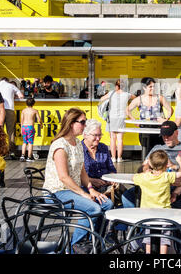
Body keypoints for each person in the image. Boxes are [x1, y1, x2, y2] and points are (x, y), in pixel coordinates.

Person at [42, 108, 113, 253]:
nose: (85, 125)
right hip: (56, 192)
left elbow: (82, 172)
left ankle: (94, 242)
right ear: (71, 123)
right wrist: (85, 194)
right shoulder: (60, 145)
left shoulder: (77, 143)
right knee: (93, 207)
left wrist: (91, 189)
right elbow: (63, 177)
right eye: (82, 122)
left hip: (71, 191)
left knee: (108, 203)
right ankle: (75, 246)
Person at [121, 121, 181, 208]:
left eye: (168, 135)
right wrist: (147, 170)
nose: (165, 138)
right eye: (163, 135)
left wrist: (174, 166)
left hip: (178, 185)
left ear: (176, 133)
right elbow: (143, 167)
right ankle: (135, 219)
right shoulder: (157, 148)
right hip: (154, 183)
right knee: (127, 196)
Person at [132, 150, 181, 254]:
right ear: (166, 165)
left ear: (150, 163)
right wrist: (180, 161)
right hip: (165, 213)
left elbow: (134, 178)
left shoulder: (144, 177)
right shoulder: (166, 176)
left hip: (147, 214)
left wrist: (145, 171)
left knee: (148, 236)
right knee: (164, 238)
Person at [126, 77, 173, 152]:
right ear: (144, 87)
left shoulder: (159, 98)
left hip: (158, 130)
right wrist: (134, 120)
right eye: (150, 87)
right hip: (144, 130)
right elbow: (127, 110)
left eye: (154, 86)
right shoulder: (139, 99)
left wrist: (166, 119)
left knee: (159, 154)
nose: (153, 88)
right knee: (146, 153)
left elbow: (170, 109)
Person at [100, 79, 134, 162]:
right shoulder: (127, 95)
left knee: (113, 138)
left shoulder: (111, 93)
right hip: (122, 117)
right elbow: (136, 99)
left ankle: (113, 158)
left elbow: (101, 99)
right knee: (120, 139)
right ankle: (119, 158)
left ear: (116, 85)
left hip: (112, 117)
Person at [81, 119, 117, 193]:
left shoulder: (103, 147)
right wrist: (91, 181)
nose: (98, 138)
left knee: (127, 196)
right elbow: (75, 175)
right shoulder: (78, 149)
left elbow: (111, 169)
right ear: (85, 135)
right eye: (95, 135)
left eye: (100, 135)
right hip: (87, 188)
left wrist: (112, 178)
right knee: (108, 203)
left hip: (106, 186)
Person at [0, 77, 24, 159]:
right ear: (7, 81)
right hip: (10, 110)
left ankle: (0, 151)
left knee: (0, 131)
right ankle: (11, 152)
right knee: (10, 132)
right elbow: (21, 96)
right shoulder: (11, 86)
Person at [20, 97, 43, 162]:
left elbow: (21, 120)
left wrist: (21, 128)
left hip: (24, 127)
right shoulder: (35, 111)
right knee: (30, 142)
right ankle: (29, 157)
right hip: (30, 127)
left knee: (24, 142)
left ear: (26, 103)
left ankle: (22, 155)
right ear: (33, 104)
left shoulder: (23, 110)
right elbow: (39, 119)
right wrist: (41, 124)